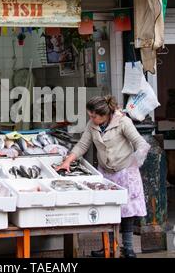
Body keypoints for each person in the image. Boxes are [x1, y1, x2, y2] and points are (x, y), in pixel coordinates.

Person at [56, 95, 150, 258]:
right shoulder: (92, 125)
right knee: (108, 210)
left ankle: (128, 248)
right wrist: (68, 161)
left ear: (105, 114)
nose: (91, 118)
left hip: (125, 171)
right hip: (106, 173)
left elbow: (140, 143)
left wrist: (136, 162)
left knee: (127, 212)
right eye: (90, 115)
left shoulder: (123, 122)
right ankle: (110, 246)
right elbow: (83, 145)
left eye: (94, 116)